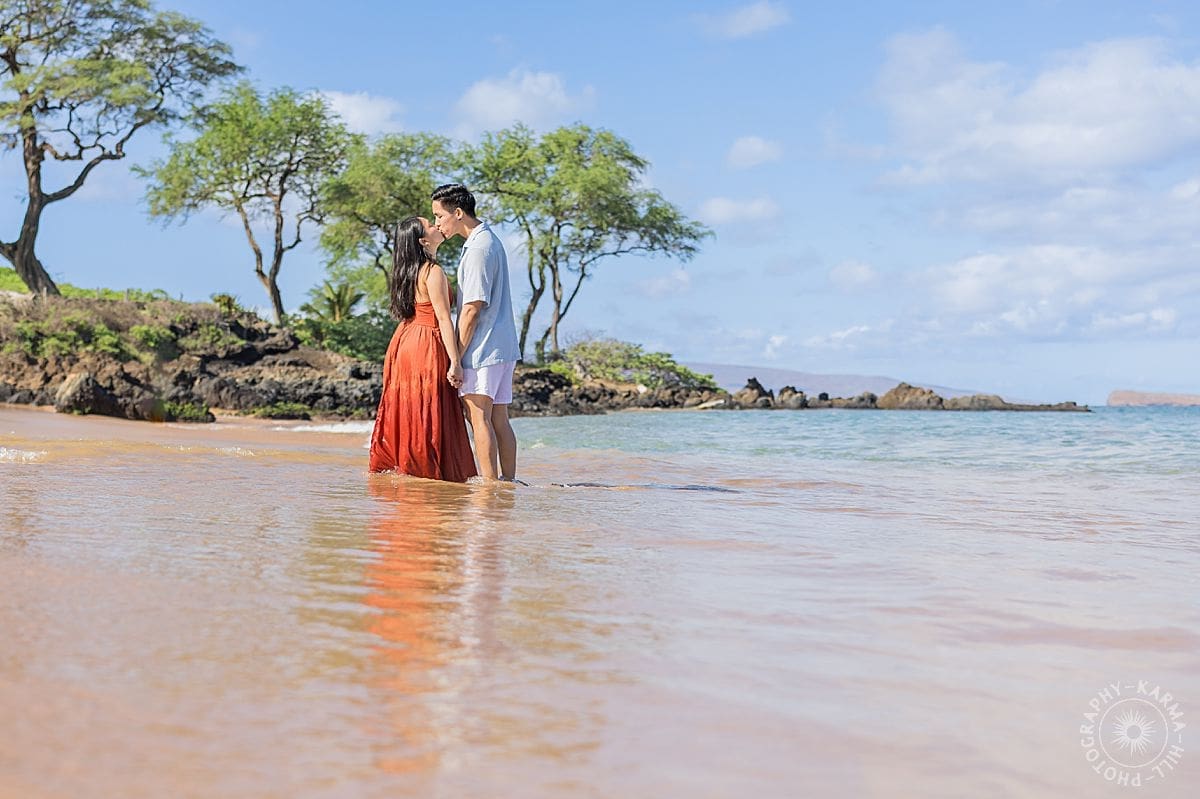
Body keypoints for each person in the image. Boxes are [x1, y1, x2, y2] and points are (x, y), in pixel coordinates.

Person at [368, 216, 478, 482]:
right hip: (426, 341)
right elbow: (443, 317)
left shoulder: (407, 272)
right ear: (423, 240)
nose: (436, 225)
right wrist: (455, 361)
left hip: (404, 341)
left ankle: (406, 462)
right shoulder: (432, 271)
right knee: (430, 403)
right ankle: (426, 469)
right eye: (430, 225)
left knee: (410, 404)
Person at [431, 184, 522, 481]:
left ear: (458, 213)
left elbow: (471, 309)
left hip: (483, 347)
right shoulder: (488, 241)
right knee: (499, 418)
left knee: (479, 417)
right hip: (502, 346)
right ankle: (507, 483)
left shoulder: (478, 250)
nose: (436, 224)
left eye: (439, 216)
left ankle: (489, 485)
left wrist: (455, 356)